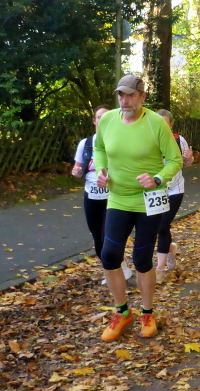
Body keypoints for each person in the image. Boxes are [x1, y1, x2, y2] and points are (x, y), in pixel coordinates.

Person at [94, 75, 183, 342]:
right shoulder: (108, 120)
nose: (125, 101)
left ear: (142, 97)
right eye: (121, 95)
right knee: (109, 255)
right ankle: (122, 312)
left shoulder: (156, 123)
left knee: (142, 259)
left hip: (149, 200)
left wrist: (157, 179)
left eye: (131, 95)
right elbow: (99, 148)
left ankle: (147, 312)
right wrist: (101, 170)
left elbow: (175, 160)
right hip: (118, 198)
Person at [71, 105, 133, 284]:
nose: (102, 120)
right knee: (97, 237)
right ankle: (115, 268)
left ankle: (117, 271)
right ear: (94, 121)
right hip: (91, 196)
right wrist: (76, 172)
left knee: (108, 236)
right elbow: (78, 168)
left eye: (107, 117)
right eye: (99, 117)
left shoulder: (118, 142)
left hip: (113, 196)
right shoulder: (86, 144)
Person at [154, 110, 194, 282]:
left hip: (174, 190)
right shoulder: (148, 140)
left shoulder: (178, 140)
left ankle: (159, 268)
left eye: (166, 124)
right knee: (156, 227)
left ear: (171, 125)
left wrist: (188, 159)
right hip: (155, 191)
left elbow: (188, 162)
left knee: (162, 226)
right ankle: (170, 249)